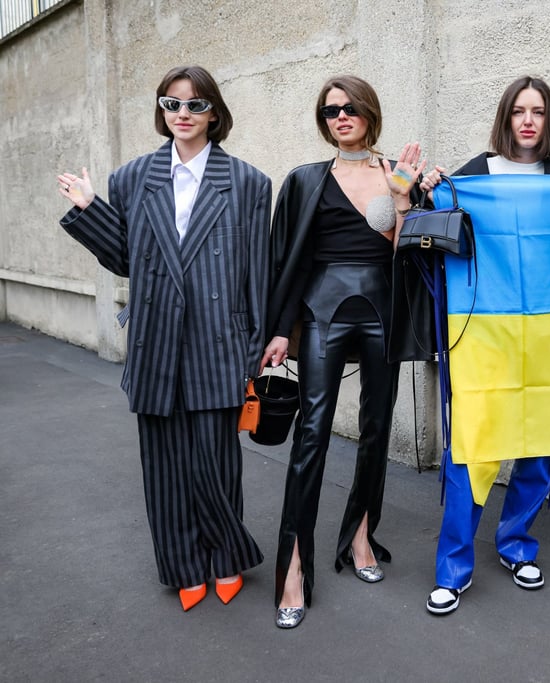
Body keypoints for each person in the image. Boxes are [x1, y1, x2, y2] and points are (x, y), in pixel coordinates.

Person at [56, 65, 270, 612]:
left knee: (215, 461)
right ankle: (183, 566)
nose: (183, 114)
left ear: (214, 113)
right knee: (165, 465)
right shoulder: (132, 178)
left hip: (218, 340)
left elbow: (257, 271)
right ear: (161, 110)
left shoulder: (247, 182)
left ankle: (225, 555)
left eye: (196, 104)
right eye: (172, 103)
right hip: (156, 340)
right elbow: (128, 259)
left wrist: (255, 346)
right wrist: (90, 209)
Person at [262, 75, 428, 629]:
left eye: (351, 107)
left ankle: (360, 537)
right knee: (311, 434)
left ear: (369, 112)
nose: (341, 116)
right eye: (331, 110)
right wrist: (280, 328)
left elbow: (410, 252)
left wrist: (403, 199)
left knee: (377, 430)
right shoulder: (306, 180)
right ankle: (293, 568)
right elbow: (289, 258)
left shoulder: (396, 172)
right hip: (322, 311)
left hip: (382, 309)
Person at [420, 76, 550, 616]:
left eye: (538, 111)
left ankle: (516, 544)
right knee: (471, 449)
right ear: (505, 118)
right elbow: (435, 233)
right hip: (485, 336)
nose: (528, 121)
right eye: (518, 111)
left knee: (540, 444)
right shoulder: (474, 174)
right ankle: (453, 567)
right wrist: (430, 187)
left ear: (549, 119)